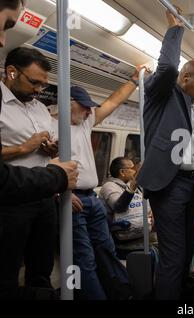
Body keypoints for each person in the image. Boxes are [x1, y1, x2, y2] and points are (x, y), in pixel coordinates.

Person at [52, 65, 148, 299]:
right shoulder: (48, 126)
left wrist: (134, 80)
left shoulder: (84, 122)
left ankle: (123, 293)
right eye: (84, 106)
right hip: (69, 199)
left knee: (107, 249)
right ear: (68, 103)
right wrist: (59, 193)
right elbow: (42, 164)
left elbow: (112, 103)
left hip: (91, 200)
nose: (88, 111)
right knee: (84, 259)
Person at [137, 8, 194, 299]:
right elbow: (167, 67)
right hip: (169, 185)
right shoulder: (161, 93)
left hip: (192, 183)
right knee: (172, 257)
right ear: (185, 78)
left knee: (185, 255)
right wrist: (175, 27)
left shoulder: (192, 111)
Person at [0, 46, 77, 299]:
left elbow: (43, 150)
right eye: (34, 82)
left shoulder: (40, 109)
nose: (38, 90)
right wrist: (23, 147)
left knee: (41, 265)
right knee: (7, 268)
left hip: (44, 195)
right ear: (11, 72)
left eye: (43, 85)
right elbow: (25, 148)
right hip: (11, 199)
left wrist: (49, 149)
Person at [99, 157, 157, 252]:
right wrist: (133, 185)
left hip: (144, 235)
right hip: (124, 236)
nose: (136, 171)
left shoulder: (137, 187)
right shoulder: (109, 186)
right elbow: (119, 207)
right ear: (122, 172)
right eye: (133, 168)